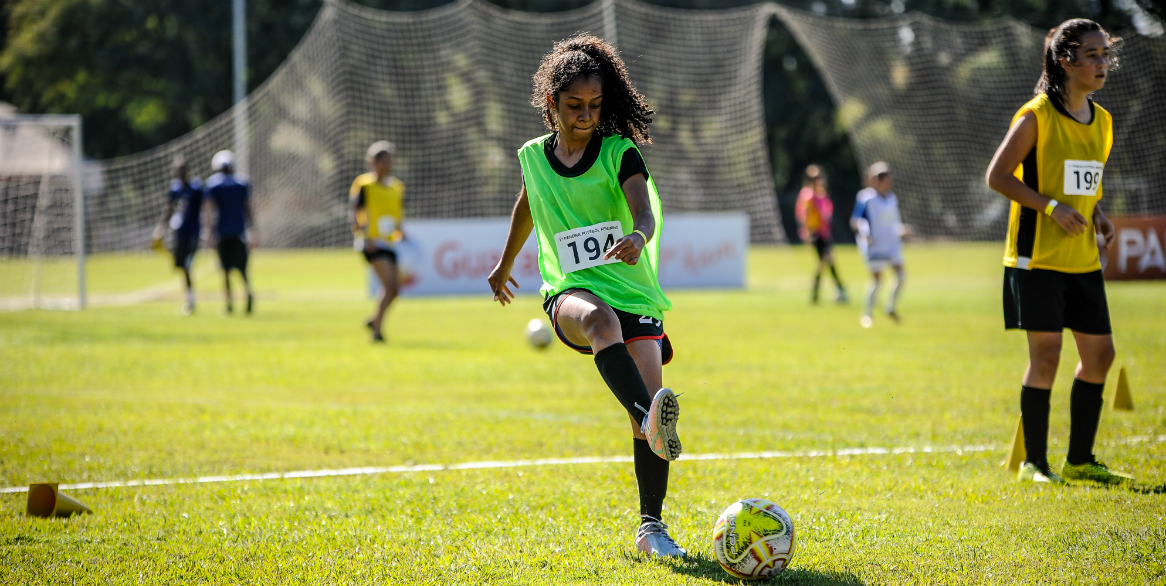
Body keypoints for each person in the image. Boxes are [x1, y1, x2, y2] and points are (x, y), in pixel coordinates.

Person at [487, 34, 685, 558]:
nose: (585, 116)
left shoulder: (620, 152)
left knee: (647, 411)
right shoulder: (533, 157)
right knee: (600, 323)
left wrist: (639, 236)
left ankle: (651, 530)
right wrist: (504, 264)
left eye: (595, 106)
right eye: (574, 106)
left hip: (634, 288)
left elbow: (642, 210)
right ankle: (649, 420)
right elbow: (527, 208)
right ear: (551, 103)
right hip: (572, 291)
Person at [986, 19, 1131, 486]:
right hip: (1035, 259)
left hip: (1081, 258)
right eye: (1092, 54)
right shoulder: (1036, 116)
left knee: (1100, 356)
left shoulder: (1103, 121)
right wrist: (1050, 208)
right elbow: (998, 177)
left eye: (1105, 54)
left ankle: (1081, 460)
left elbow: (1083, 180)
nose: (1102, 62)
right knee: (1046, 356)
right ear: (1065, 61)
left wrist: (1098, 213)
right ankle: (1035, 463)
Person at [349, 141, 405, 342]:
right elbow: (355, 213)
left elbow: (396, 214)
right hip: (371, 243)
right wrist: (364, 237)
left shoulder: (396, 187)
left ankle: (374, 320)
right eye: (382, 161)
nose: (386, 165)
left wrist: (401, 231)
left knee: (395, 289)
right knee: (389, 285)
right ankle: (377, 333)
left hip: (388, 242)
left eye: (389, 161)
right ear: (372, 162)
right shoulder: (364, 185)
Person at [850, 161, 906, 328]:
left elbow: (893, 222)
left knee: (901, 276)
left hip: (892, 245)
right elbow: (855, 221)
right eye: (884, 180)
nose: (887, 184)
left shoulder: (891, 198)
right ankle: (867, 314)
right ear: (876, 180)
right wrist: (864, 234)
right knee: (877, 281)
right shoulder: (866, 198)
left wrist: (902, 230)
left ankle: (890, 307)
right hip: (875, 247)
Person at [204, 150, 255, 315]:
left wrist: (209, 232)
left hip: (223, 233)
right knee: (242, 269)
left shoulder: (214, 184)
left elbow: (209, 211)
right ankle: (248, 296)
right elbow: (248, 209)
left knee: (225, 271)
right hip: (239, 232)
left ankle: (229, 305)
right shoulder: (241, 183)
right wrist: (253, 230)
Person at [153, 155, 202, 315]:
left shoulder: (196, 188)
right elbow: (169, 209)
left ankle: (190, 301)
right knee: (182, 267)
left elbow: (206, 207)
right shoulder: (174, 188)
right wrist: (160, 228)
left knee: (187, 265)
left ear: (188, 170)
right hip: (179, 233)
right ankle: (189, 299)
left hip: (194, 232)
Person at [795, 164, 847, 304]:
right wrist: (807, 232)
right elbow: (803, 215)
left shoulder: (822, 194)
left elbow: (827, 212)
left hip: (825, 233)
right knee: (826, 261)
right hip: (815, 233)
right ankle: (838, 290)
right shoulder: (808, 195)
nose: (819, 180)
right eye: (816, 178)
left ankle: (819, 294)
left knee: (825, 262)